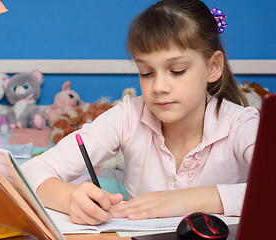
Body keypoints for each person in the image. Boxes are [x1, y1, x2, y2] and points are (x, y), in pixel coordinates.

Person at [20, 0, 259, 226]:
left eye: (177, 71)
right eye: (146, 72)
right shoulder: (128, 115)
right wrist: (71, 198)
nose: (159, 87)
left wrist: (186, 200)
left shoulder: (242, 125)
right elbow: (30, 171)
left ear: (213, 67)